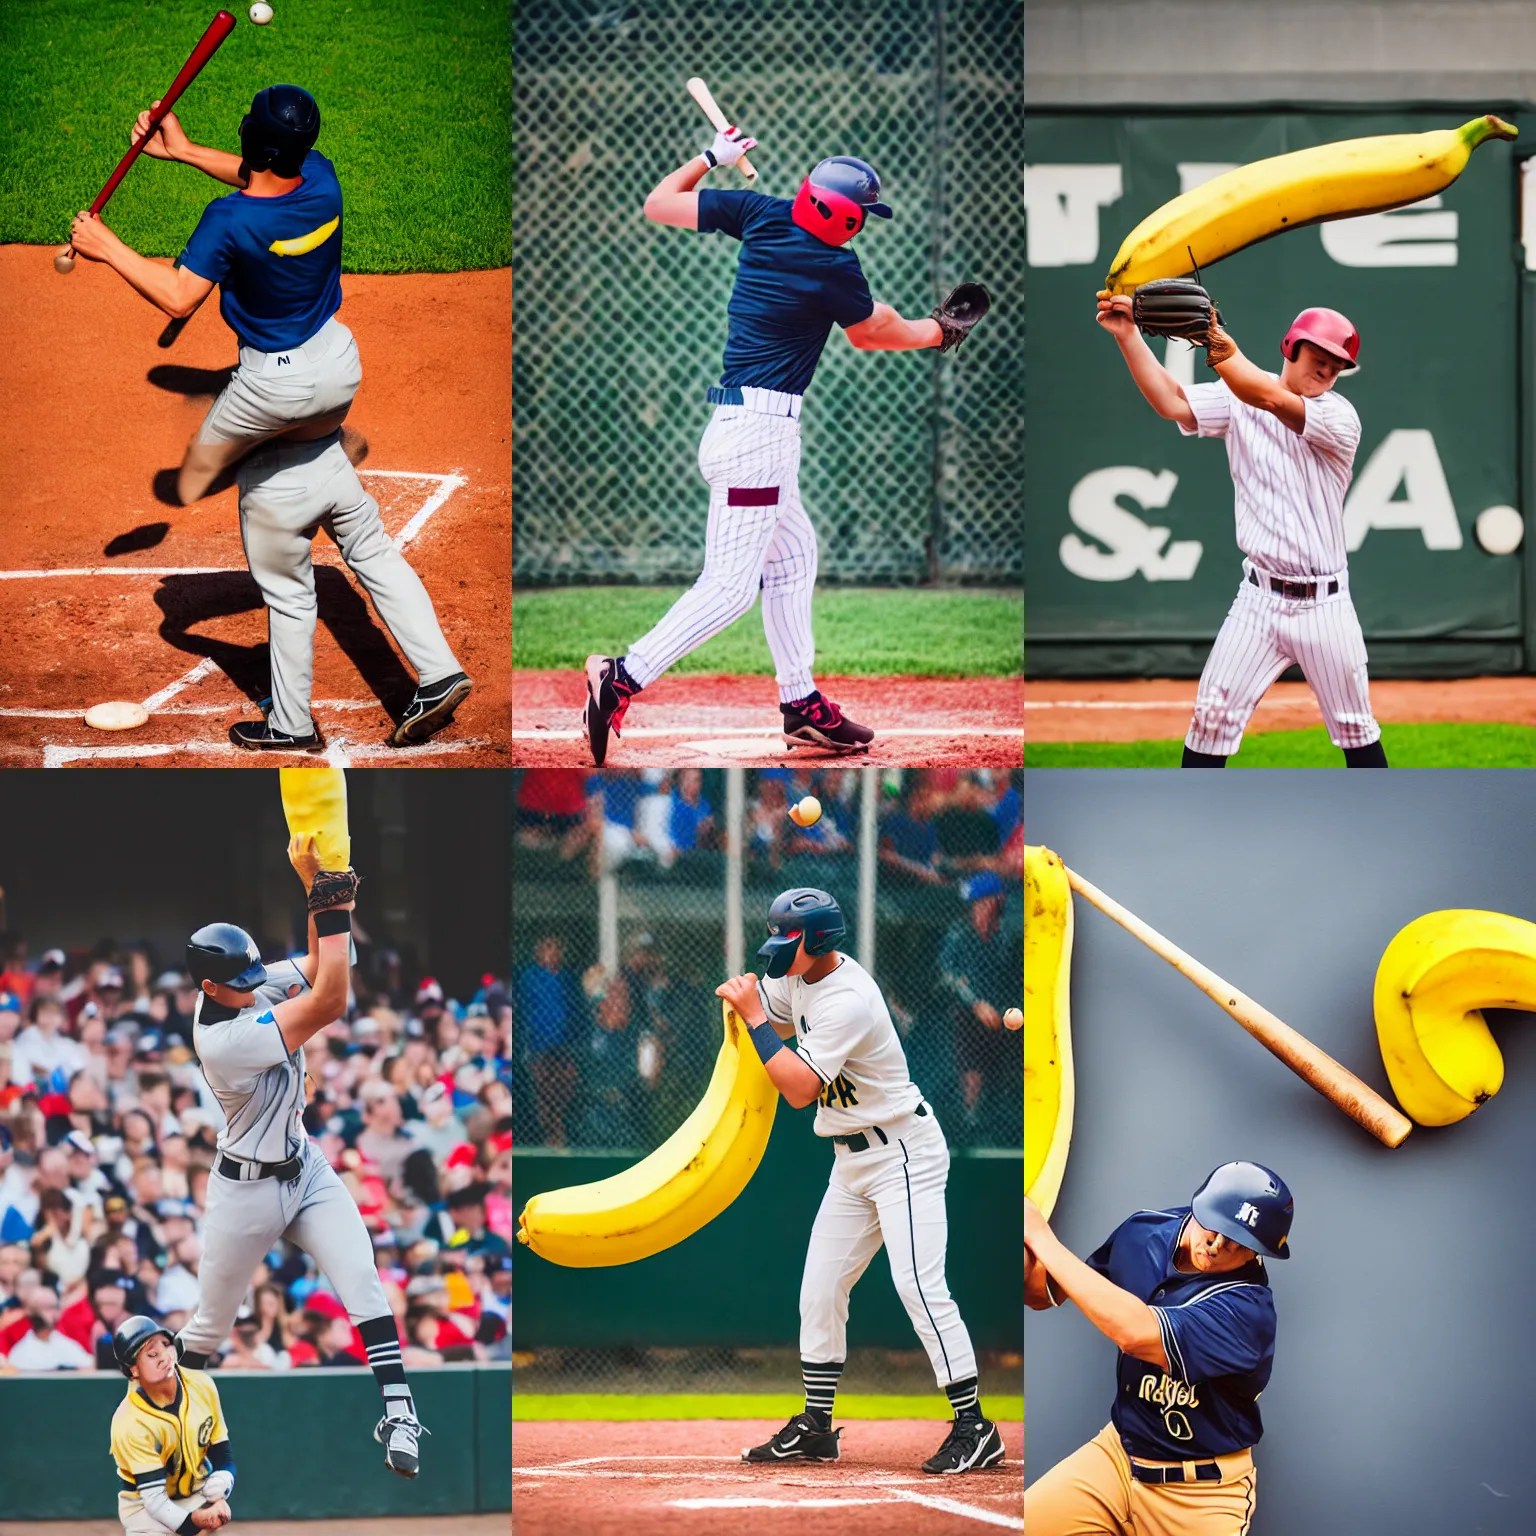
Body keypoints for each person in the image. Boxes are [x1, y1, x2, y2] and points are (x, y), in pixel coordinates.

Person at [67, 86, 470, 752]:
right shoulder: (323, 179)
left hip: (271, 387)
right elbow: (264, 175)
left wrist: (104, 244)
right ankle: (439, 671)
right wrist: (186, 150)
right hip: (336, 364)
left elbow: (176, 297)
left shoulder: (227, 223)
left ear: (253, 142)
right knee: (361, 537)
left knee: (258, 535)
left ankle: (288, 725)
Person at [583, 135, 982, 764]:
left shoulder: (758, 213)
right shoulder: (835, 267)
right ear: (848, 217)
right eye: (861, 217)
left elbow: (659, 203)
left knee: (794, 556)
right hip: (758, 442)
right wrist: (937, 332)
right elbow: (873, 334)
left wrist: (710, 156)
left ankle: (802, 709)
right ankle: (621, 675)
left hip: (743, 428)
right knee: (730, 588)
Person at [715, 888, 1005, 1476]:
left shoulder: (848, 996)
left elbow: (798, 1089)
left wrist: (751, 1016)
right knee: (820, 1288)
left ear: (816, 941)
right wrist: (749, 1007)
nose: (776, 954)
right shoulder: (794, 973)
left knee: (919, 1285)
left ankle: (976, 1425)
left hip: (903, 1150)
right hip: (851, 1160)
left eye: (787, 941)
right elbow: (768, 1009)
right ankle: (816, 1427)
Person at [175, 837, 426, 1477]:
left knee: (362, 1278)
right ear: (209, 985)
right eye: (240, 981)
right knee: (208, 1328)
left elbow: (321, 963)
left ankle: (400, 1414)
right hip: (245, 1190)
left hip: (303, 1166)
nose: (255, 985)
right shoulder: (222, 1039)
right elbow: (331, 1000)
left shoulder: (244, 989)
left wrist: (317, 884)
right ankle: (167, 1422)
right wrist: (334, 908)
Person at [1096, 291, 1385, 768]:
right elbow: (1171, 401)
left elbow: (1267, 396)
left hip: (1325, 605)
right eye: (1321, 354)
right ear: (1291, 346)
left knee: (1355, 727)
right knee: (1210, 718)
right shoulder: (1239, 398)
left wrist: (1214, 339)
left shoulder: (1339, 417)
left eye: (1338, 363)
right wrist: (1128, 336)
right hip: (1259, 600)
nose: (1329, 368)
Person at [1024, 1162, 1293, 1533]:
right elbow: (1045, 1291)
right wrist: (1021, 1260)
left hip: (1200, 1496)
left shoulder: (1248, 1313)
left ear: (1257, 1252)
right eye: (1214, 1225)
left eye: (1238, 1241)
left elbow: (1135, 1333)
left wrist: (1041, 1238)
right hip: (1116, 1460)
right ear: (1199, 1205)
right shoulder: (1144, 1232)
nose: (1217, 1244)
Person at [109, 1315, 236, 1533]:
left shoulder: (201, 1385)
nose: (164, 1356)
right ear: (134, 1370)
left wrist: (224, 1481)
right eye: (151, 1353)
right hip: (145, 1508)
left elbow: (223, 1456)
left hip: (194, 1492)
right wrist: (198, 1521)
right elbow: (156, 1503)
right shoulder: (130, 1422)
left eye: (166, 1345)